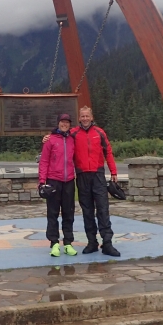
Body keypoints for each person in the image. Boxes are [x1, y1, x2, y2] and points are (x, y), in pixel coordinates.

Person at [44, 106, 119, 256]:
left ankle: (107, 243)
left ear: (91, 117)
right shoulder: (73, 133)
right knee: (87, 211)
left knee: (103, 209)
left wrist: (114, 171)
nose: (85, 118)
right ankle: (92, 242)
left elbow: (108, 152)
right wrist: (47, 137)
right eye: (82, 116)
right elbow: (59, 134)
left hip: (98, 174)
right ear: (79, 119)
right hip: (82, 176)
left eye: (87, 116)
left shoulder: (100, 132)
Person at [38, 113, 78, 257]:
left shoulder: (73, 139)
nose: (64, 124)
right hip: (53, 181)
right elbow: (44, 162)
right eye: (62, 122)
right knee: (53, 213)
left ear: (69, 124)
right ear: (58, 123)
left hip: (68, 181)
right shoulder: (50, 140)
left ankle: (68, 243)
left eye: (67, 122)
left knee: (69, 213)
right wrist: (42, 182)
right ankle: (54, 243)